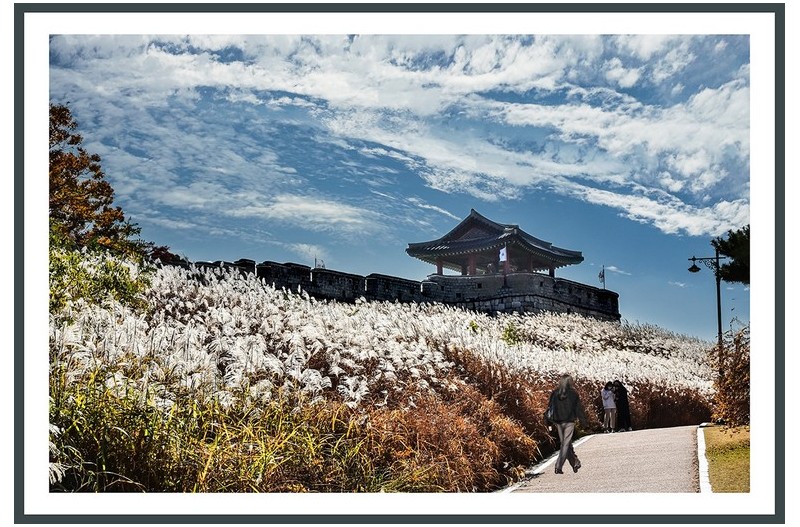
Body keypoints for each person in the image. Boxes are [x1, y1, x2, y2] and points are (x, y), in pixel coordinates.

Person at [547, 374, 588, 474]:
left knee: (565, 443)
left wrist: (548, 422)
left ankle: (575, 462)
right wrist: (584, 422)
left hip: (558, 422)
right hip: (569, 421)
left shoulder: (555, 393)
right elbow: (578, 409)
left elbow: (550, 408)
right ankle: (558, 466)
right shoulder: (573, 394)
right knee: (565, 444)